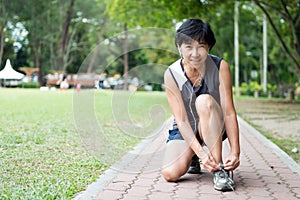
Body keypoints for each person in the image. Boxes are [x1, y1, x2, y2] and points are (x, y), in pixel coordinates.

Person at [161, 19, 240, 192]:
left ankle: (220, 170)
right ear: (179, 48)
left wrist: (235, 152)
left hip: (214, 122)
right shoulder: (172, 74)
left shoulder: (220, 67)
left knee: (204, 100)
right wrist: (201, 153)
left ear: (209, 47)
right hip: (187, 126)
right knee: (170, 173)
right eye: (188, 47)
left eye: (201, 46)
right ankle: (195, 158)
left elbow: (228, 113)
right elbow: (181, 120)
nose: (195, 53)